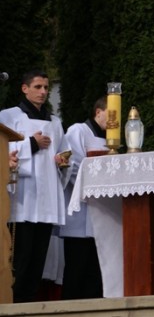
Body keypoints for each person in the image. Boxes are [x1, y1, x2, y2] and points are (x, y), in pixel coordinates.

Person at [0, 69, 69, 302]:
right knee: (20, 256)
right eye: (38, 87)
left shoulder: (55, 122)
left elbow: (64, 152)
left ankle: (28, 300)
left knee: (38, 257)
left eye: (46, 88)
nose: (43, 92)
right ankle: (14, 301)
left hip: (47, 198)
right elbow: (4, 153)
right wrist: (31, 143)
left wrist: (62, 161)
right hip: (23, 197)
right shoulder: (9, 116)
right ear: (24, 88)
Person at [59, 96, 108, 299]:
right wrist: (95, 188)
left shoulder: (111, 139)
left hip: (101, 213)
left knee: (95, 275)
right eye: (111, 114)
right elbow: (73, 165)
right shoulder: (78, 130)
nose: (116, 121)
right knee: (76, 271)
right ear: (98, 112)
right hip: (79, 214)